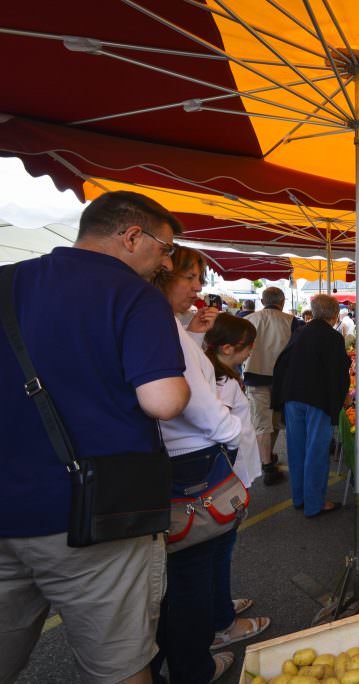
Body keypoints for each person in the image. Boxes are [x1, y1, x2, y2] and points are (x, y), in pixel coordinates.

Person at [0, 191, 190, 684]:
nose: (167, 263)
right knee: (118, 666)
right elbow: (163, 400)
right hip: (96, 515)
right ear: (132, 237)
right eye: (166, 248)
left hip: (6, 509)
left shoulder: (7, 281)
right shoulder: (132, 294)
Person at [150, 245, 253, 683]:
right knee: (193, 569)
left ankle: (211, 624)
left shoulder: (169, 326)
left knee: (189, 568)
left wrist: (192, 333)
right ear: (162, 272)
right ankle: (195, 666)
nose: (198, 288)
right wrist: (232, 433)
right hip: (194, 464)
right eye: (190, 278)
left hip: (180, 460)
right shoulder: (162, 326)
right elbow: (192, 397)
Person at [202, 313, 272, 654]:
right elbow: (220, 431)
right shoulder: (223, 382)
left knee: (218, 552)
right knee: (220, 550)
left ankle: (219, 607)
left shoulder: (211, 372)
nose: (250, 353)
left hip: (223, 479)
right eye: (247, 348)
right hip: (225, 482)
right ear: (228, 348)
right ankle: (222, 623)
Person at [271, 294, 351, 517]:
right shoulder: (332, 337)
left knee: (296, 448)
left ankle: (299, 498)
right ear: (335, 315)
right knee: (316, 450)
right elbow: (338, 373)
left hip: (292, 397)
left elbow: (283, 363)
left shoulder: (300, 331)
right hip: (317, 400)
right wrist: (343, 398)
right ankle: (315, 504)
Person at [242, 287, 297, 486]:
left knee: (262, 422)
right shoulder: (290, 321)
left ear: (263, 301)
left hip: (254, 376)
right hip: (281, 379)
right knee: (274, 422)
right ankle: (267, 464)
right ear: (282, 301)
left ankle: (267, 460)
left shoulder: (249, 320)